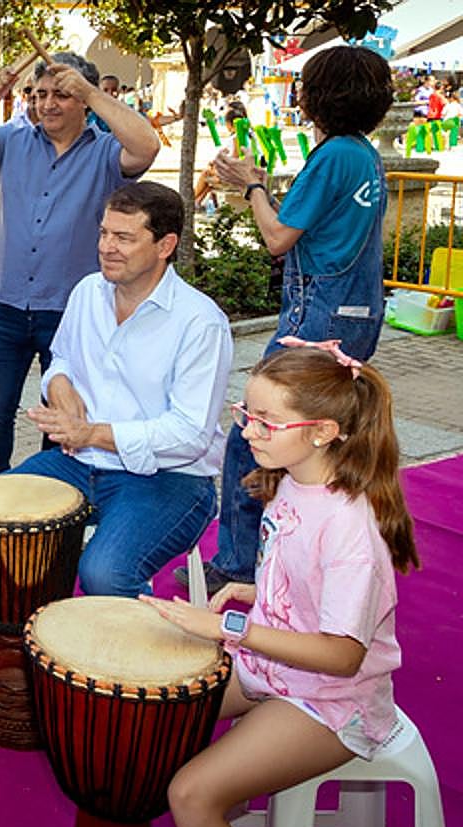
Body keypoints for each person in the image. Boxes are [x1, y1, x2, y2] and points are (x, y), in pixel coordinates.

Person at [0, 182, 232, 675]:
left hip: (171, 479)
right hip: (79, 461)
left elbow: (190, 435)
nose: (106, 246)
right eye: (103, 233)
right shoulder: (88, 291)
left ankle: (138, 669)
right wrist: (63, 391)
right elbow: (62, 360)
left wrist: (91, 432)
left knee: (104, 570)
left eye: (123, 237)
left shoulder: (201, 322)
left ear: (165, 245)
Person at [141, 341, 418, 827]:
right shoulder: (293, 480)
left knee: (190, 793)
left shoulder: (349, 528)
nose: (248, 430)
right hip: (276, 670)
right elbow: (300, 571)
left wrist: (230, 627)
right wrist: (257, 591)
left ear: (323, 433)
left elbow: (342, 656)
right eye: (246, 412)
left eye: (266, 421)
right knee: (156, 709)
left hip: (334, 700)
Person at [186, 45, 392, 597]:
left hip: (316, 318)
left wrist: (250, 185)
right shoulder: (363, 155)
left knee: (252, 436)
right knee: (318, 443)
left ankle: (236, 564)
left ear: (322, 95)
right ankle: (303, 551)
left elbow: (278, 238)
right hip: (355, 314)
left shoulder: (333, 156)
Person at [0, 52, 159, 479]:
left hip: (70, 311)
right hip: (8, 304)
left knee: (60, 416)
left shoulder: (106, 153)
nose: (48, 104)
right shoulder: (14, 141)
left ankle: (51, 499)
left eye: (62, 94)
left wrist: (93, 93)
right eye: (40, 94)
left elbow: (147, 146)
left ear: (82, 101)